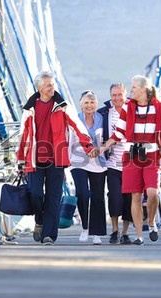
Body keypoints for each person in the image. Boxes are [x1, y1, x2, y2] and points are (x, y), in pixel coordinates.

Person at [16, 71, 96, 245]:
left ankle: (49, 235)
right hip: (35, 159)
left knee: (53, 197)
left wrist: (87, 145)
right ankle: (39, 219)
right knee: (35, 194)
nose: (52, 87)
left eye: (53, 84)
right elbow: (23, 135)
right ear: (39, 88)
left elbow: (77, 126)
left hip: (57, 158)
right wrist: (20, 159)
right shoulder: (30, 108)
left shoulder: (62, 105)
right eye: (48, 85)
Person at [100, 75, 161, 245]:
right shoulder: (128, 108)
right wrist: (103, 147)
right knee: (136, 196)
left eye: (133, 88)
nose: (130, 91)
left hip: (151, 156)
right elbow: (119, 133)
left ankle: (152, 222)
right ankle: (139, 236)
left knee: (153, 193)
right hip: (131, 156)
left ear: (143, 90)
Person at [69, 90, 107, 245]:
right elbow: (68, 139)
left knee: (98, 196)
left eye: (92, 102)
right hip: (78, 160)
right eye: (86, 102)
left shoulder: (102, 119)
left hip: (98, 162)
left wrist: (100, 150)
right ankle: (85, 226)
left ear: (96, 104)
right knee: (83, 193)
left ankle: (96, 233)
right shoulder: (75, 119)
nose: (89, 105)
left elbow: (111, 137)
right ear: (81, 104)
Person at [97, 83, 132, 244]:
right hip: (112, 163)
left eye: (120, 95)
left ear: (125, 95)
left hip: (131, 164)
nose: (117, 98)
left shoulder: (134, 110)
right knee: (114, 196)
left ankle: (125, 233)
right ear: (110, 96)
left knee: (129, 199)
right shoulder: (105, 113)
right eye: (114, 95)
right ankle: (114, 231)